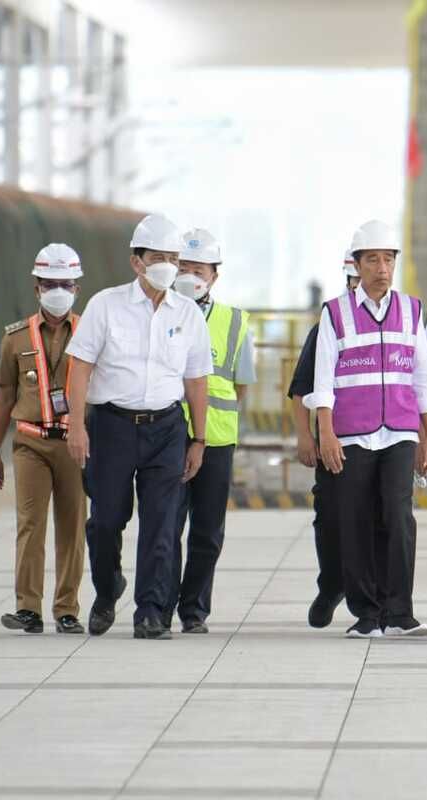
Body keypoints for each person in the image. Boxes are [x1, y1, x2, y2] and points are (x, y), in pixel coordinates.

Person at [65, 214, 213, 640]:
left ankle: (150, 611)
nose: (167, 265)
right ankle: (108, 589)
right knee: (107, 519)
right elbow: (80, 368)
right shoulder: (105, 305)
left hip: (167, 427)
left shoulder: (187, 314)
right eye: (158, 257)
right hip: (112, 426)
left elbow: (196, 379)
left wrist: (198, 439)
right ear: (136, 262)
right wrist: (77, 426)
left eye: (173, 258)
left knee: (162, 522)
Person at [306, 220, 427, 638]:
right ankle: (366, 614)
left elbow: (422, 377)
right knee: (356, 520)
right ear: (357, 265)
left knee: (399, 518)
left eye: (388, 259)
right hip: (351, 433)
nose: (382, 267)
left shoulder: (411, 309)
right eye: (373, 259)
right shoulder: (335, 313)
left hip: (399, 430)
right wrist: (325, 432)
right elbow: (322, 380)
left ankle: (399, 612)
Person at [0, 244, 87, 635]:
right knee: (30, 523)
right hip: (30, 442)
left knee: (73, 525)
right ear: (36, 288)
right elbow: (4, 395)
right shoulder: (15, 337)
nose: (57, 291)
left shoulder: (91, 334)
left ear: (77, 288)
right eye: (49, 284)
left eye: (65, 284)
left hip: (75, 443)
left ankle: (67, 609)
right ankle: (27, 607)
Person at [163, 229, 257, 633]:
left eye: (197, 269)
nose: (188, 275)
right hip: (166, 436)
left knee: (206, 531)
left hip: (216, 440)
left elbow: (241, 385)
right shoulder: (159, 314)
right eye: (182, 267)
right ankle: (159, 604)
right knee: (165, 526)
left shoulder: (234, 322)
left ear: (214, 275)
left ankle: (194, 609)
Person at [289, 249, 372, 628]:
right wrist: (307, 437)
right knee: (331, 520)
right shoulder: (328, 325)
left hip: (383, 444)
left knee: (376, 523)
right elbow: (300, 389)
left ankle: (370, 598)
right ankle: (331, 585)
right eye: (355, 281)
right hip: (335, 443)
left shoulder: (398, 325)